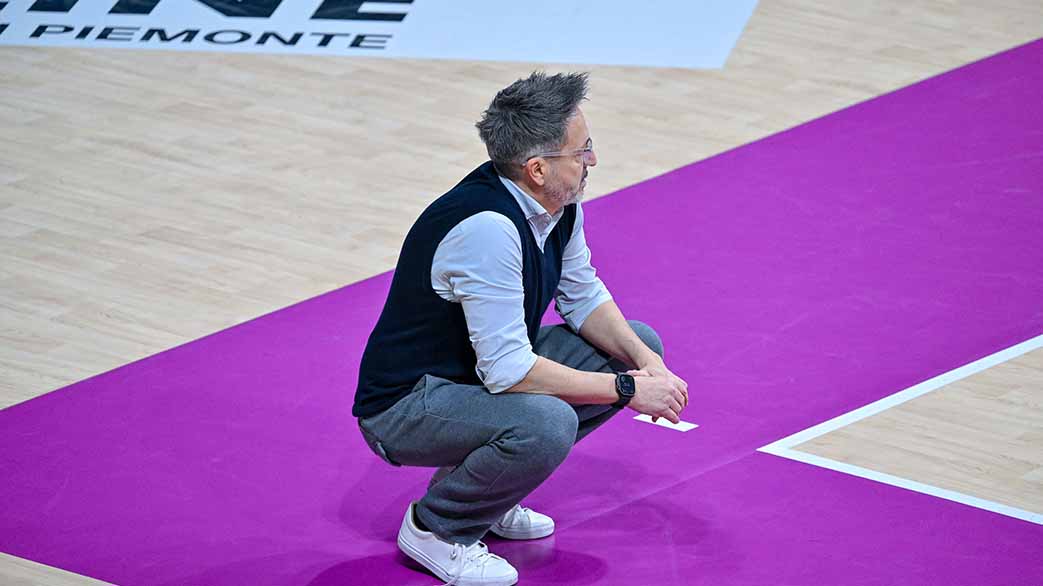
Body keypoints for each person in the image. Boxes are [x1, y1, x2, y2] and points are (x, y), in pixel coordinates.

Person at [353, 71, 689, 586]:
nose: (592, 160)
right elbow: (509, 371)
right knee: (547, 422)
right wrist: (627, 390)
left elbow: (583, 296)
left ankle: (488, 490)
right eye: (582, 151)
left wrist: (648, 365)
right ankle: (437, 529)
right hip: (407, 405)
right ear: (537, 168)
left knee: (636, 343)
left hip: (471, 378)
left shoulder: (556, 205)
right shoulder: (487, 229)